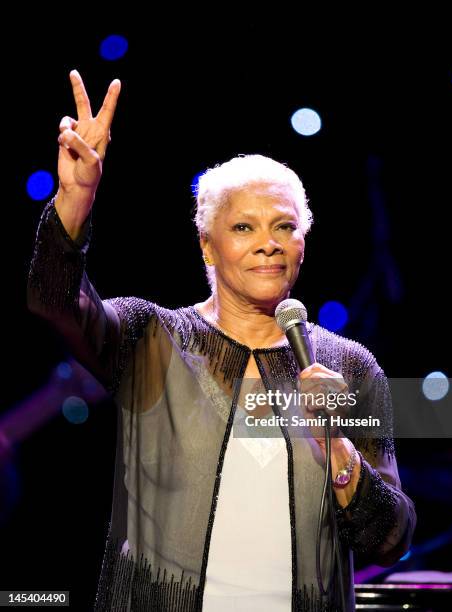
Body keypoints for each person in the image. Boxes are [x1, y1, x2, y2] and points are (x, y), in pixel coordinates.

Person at [27, 71, 416, 612]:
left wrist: (338, 449)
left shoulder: (348, 367)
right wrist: (75, 200)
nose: (268, 245)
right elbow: (53, 299)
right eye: (243, 229)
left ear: (304, 243)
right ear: (207, 247)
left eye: (284, 227)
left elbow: (393, 537)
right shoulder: (150, 338)